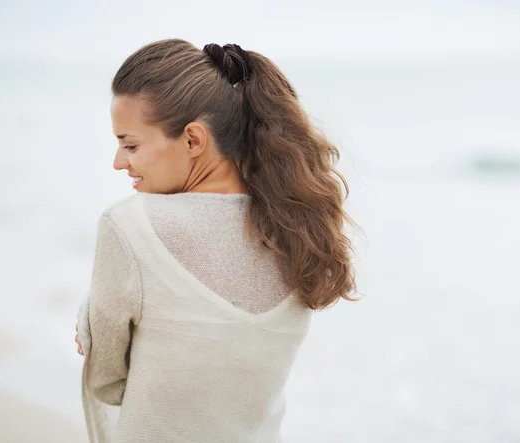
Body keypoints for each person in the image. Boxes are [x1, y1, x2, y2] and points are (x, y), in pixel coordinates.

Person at [75, 38, 357, 443]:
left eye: (130, 144)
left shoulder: (128, 226)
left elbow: (106, 383)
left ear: (193, 140)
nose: (119, 162)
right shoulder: (298, 231)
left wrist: (91, 316)